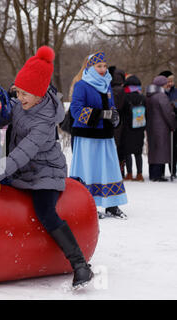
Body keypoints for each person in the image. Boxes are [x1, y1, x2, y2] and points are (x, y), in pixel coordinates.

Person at [0, 46, 93, 289]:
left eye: (26, 94)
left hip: (45, 173)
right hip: (21, 173)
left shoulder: (43, 123)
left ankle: (80, 264)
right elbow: (4, 116)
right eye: (19, 92)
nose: (21, 98)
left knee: (45, 211)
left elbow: (20, 154)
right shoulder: (21, 105)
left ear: (39, 94)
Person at [69, 51, 128, 219]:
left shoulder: (107, 83)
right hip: (87, 136)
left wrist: (115, 116)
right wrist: (100, 115)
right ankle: (89, 205)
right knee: (89, 170)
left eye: (104, 66)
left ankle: (112, 204)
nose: (103, 69)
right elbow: (75, 109)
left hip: (106, 135)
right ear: (90, 67)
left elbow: (111, 107)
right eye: (99, 66)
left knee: (110, 169)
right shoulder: (82, 85)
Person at [145, 75, 177, 181]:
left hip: (151, 126)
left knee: (153, 150)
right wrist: (173, 125)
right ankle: (158, 175)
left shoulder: (149, 95)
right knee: (161, 150)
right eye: (165, 83)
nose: (167, 85)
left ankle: (152, 174)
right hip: (161, 127)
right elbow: (168, 113)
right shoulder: (161, 96)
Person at [120, 75, 146, 181]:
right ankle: (140, 174)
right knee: (138, 152)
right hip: (139, 128)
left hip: (127, 128)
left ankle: (129, 174)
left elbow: (121, 112)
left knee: (127, 152)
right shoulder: (142, 97)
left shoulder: (125, 97)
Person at [109, 66, 126, 177]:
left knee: (112, 146)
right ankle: (120, 171)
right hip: (121, 120)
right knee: (120, 147)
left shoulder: (108, 89)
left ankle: (113, 170)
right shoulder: (122, 91)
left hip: (111, 120)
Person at [159, 70, 177, 178]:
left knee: (174, 149)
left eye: (172, 81)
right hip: (163, 124)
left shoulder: (175, 92)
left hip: (174, 122)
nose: (170, 83)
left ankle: (173, 170)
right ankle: (161, 171)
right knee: (164, 148)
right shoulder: (161, 93)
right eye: (168, 81)